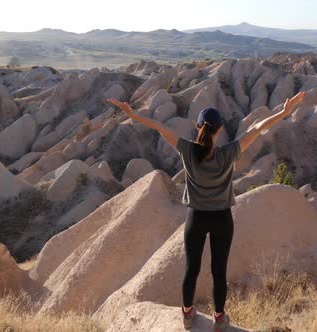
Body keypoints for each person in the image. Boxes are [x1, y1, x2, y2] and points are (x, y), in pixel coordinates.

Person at [106, 91, 306, 331]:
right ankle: (219, 319)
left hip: (197, 218)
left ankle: (188, 315)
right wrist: (284, 112)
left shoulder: (188, 151)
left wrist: (132, 114)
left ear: (197, 126)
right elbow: (257, 128)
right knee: (219, 271)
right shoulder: (228, 153)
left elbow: (159, 126)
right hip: (222, 218)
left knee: (192, 269)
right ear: (219, 130)